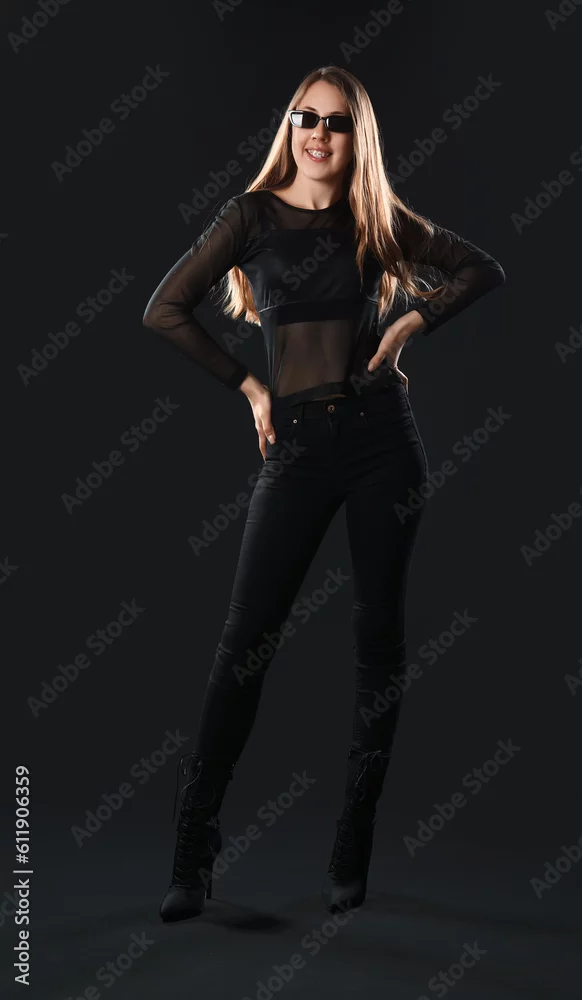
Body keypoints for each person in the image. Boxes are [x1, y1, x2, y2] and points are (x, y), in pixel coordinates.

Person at [142, 64, 505, 923]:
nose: (317, 133)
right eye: (305, 117)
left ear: (356, 138)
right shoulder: (250, 216)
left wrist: (411, 321)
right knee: (245, 644)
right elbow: (163, 308)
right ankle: (191, 855)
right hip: (297, 449)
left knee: (378, 643)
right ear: (289, 126)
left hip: (383, 444)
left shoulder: (376, 218)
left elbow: (481, 268)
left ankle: (351, 848)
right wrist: (249, 388)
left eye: (336, 122)